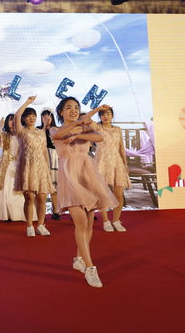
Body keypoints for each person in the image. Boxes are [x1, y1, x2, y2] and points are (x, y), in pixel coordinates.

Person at [50, 97, 118, 288]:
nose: (73, 110)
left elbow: (99, 137)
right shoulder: (55, 129)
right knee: (80, 222)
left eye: (76, 107)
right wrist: (79, 124)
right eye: (68, 108)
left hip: (87, 173)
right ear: (61, 112)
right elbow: (59, 135)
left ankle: (79, 259)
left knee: (88, 222)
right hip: (69, 175)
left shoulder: (84, 128)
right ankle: (90, 268)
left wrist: (79, 134)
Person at [14, 96, 54, 237]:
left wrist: (48, 169)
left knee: (42, 198)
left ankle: (41, 225)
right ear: (24, 119)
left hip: (41, 168)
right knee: (29, 198)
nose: (31, 118)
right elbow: (16, 116)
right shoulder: (21, 131)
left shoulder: (41, 132)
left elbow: (44, 151)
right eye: (29, 116)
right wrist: (28, 102)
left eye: (33, 116)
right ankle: (30, 226)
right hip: (28, 167)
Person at [90, 106, 131, 232]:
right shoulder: (98, 128)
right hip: (102, 162)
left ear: (112, 116)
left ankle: (116, 220)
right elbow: (86, 119)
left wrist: (125, 164)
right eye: (103, 114)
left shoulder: (118, 129)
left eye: (108, 114)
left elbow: (121, 147)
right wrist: (98, 109)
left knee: (118, 192)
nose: (105, 116)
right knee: (103, 192)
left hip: (116, 162)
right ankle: (106, 221)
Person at [0, 114, 26, 221]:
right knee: (5, 188)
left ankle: (18, 214)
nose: (12, 122)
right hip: (5, 164)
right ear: (7, 122)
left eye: (14, 120)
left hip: (18, 164)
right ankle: (5, 214)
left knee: (18, 190)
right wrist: (0, 126)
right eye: (10, 120)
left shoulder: (22, 135)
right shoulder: (4, 134)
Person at [38, 109, 61, 221]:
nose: (46, 119)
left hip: (56, 157)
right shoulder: (38, 129)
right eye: (44, 117)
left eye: (49, 117)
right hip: (43, 157)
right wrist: (44, 127)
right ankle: (41, 214)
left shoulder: (57, 129)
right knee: (42, 188)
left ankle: (55, 211)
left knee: (55, 187)